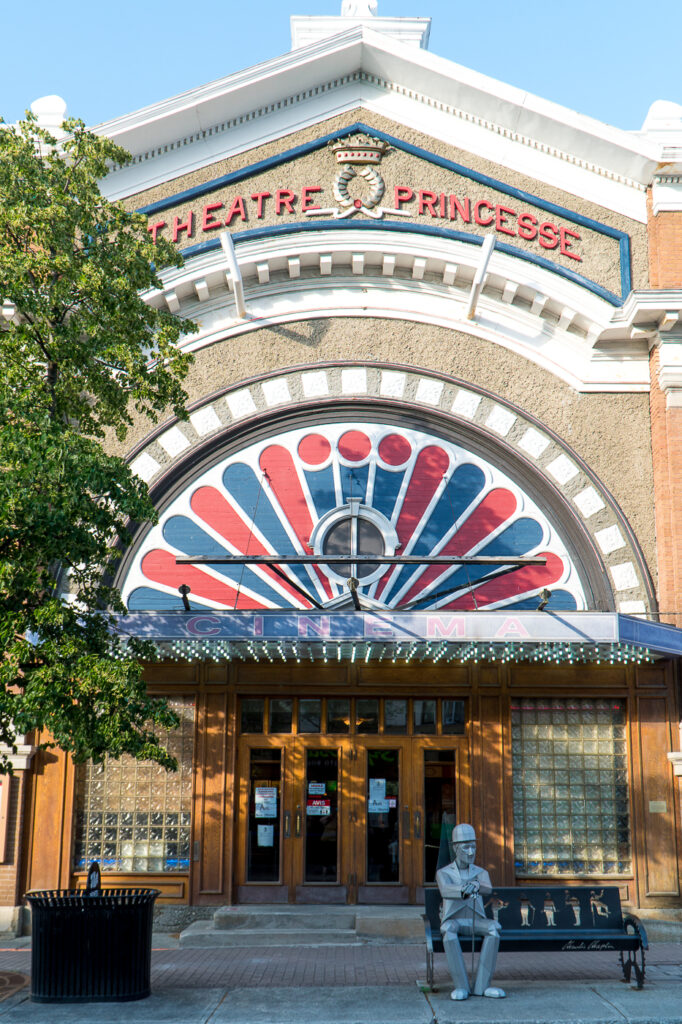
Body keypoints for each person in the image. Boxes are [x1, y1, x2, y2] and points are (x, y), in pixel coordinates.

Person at [436, 823, 506, 1001]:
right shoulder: (443, 873)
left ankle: (482, 986)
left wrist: (477, 885)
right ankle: (461, 986)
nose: (470, 852)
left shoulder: (480, 872)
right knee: (448, 932)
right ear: (455, 848)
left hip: (476, 920)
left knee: (493, 930)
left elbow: (487, 888)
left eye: (473, 847)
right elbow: (445, 890)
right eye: (466, 847)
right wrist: (464, 889)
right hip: (454, 921)